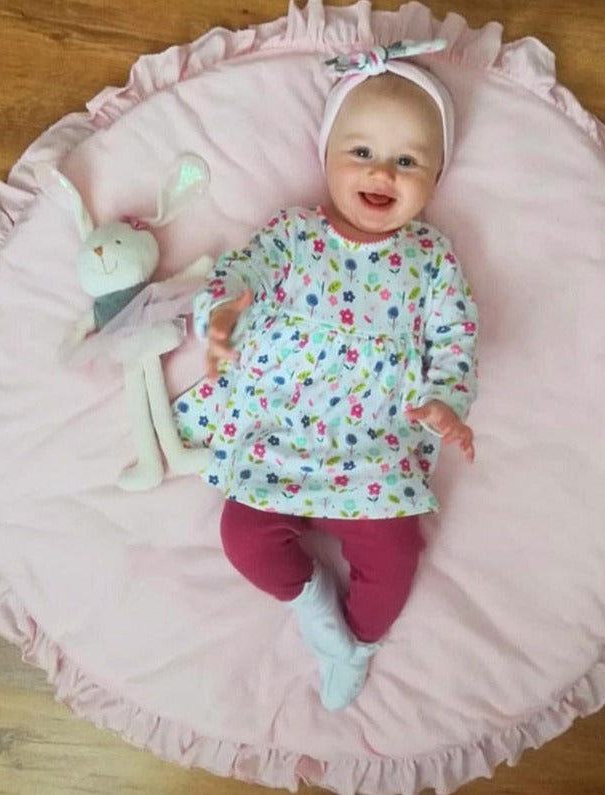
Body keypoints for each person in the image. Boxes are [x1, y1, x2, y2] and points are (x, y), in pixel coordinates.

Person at [190, 40, 479, 710]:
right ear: (324, 157)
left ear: (436, 178)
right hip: (284, 427)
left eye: (408, 161)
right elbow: (245, 271)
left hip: (376, 447)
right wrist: (225, 311)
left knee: (396, 560)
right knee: (243, 538)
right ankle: (317, 609)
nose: (382, 172)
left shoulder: (431, 257)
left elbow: (456, 336)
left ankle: (358, 642)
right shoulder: (295, 234)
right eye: (362, 151)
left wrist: (445, 401)